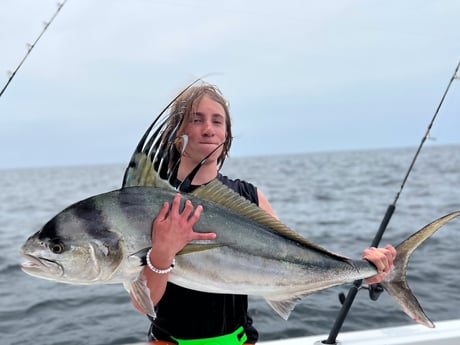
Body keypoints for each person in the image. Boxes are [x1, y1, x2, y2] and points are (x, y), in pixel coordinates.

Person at [130, 82, 396, 344]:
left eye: (217, 121)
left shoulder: (249, 196)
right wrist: (163, 253)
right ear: (177, 132)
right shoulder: (157, 204)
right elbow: (144, 303)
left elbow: (295, 256)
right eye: (196, 120)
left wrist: (363, 271)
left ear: (227, 135)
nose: (208, 129)